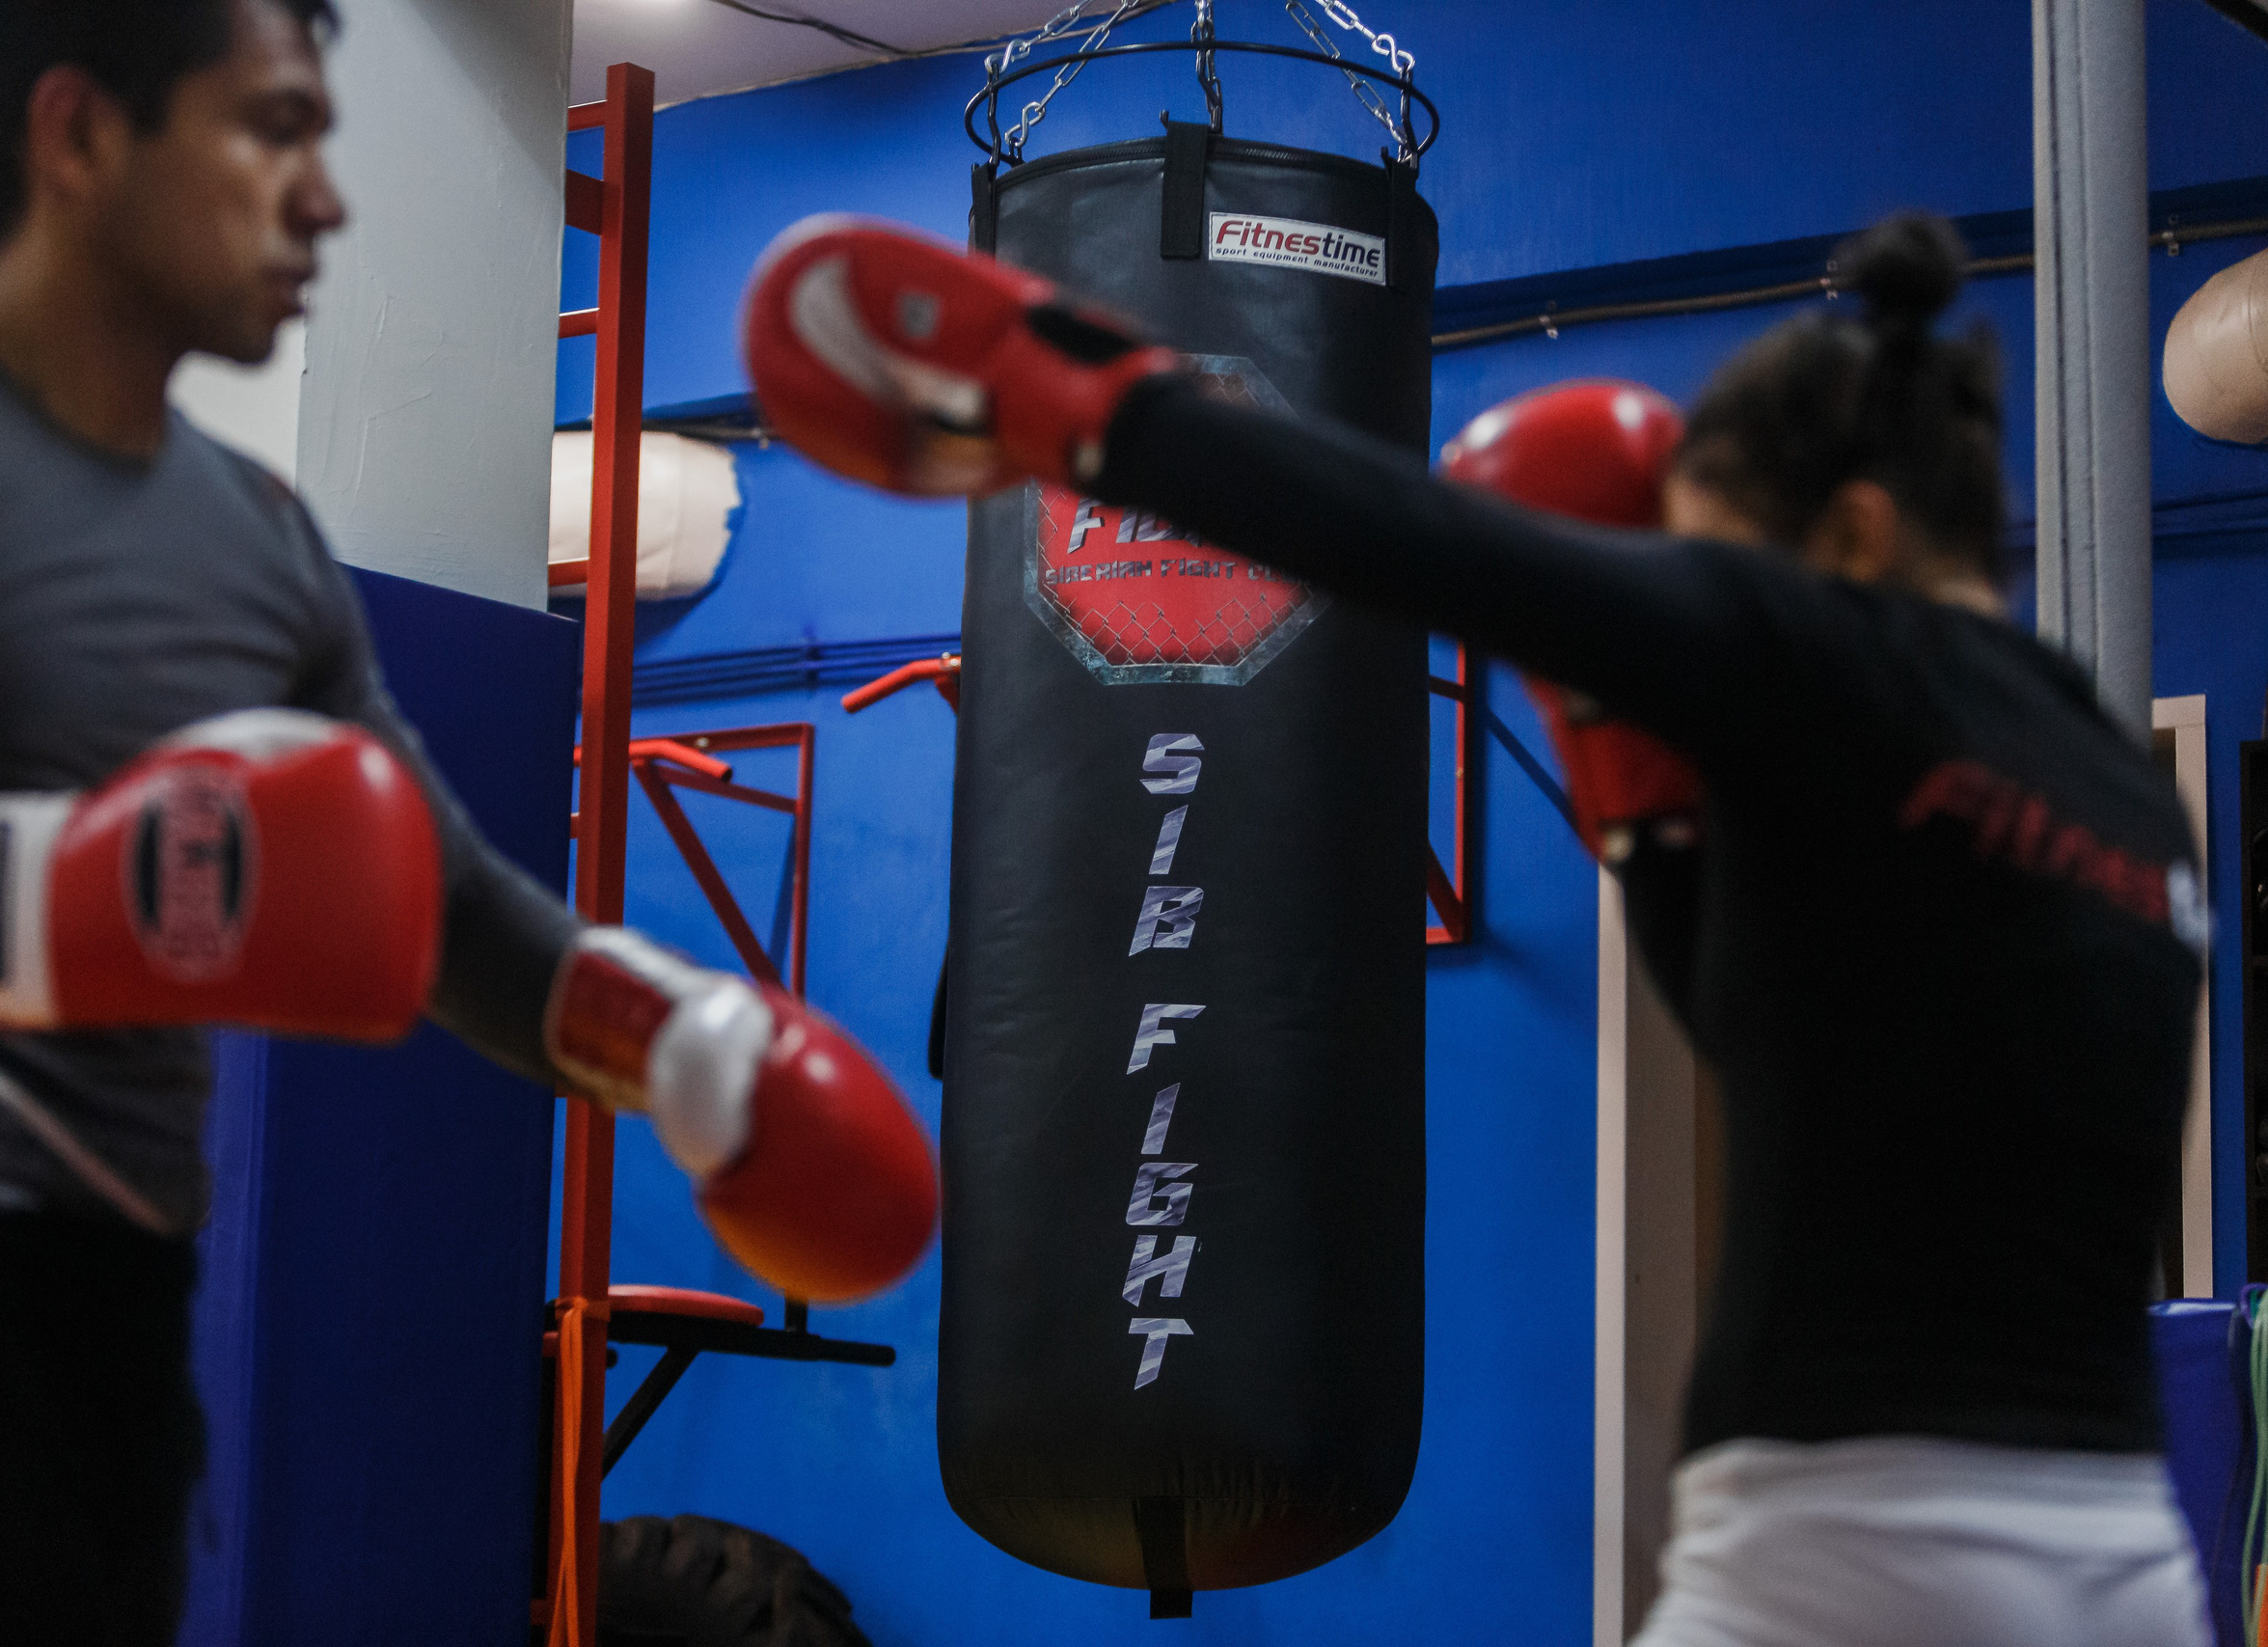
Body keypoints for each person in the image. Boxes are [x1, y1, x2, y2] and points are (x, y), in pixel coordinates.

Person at [740, 210, 2213, 1644]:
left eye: (1706, 559)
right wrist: (1634, 791)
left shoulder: (1815, 649)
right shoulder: (2117, 793)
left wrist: (1070, 396)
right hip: (2122, 1559)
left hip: (1848, 1552)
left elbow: (1418, 541)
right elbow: (1785, 1034)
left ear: (1854, 529)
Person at [0, 3, 935, 1641]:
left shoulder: (241, 537)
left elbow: (428, 900)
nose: (325, 201)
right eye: (267, 135)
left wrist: (676, 1046)